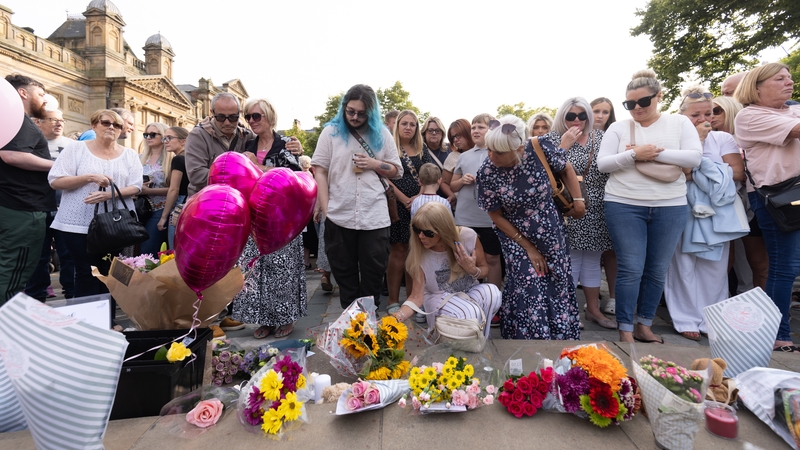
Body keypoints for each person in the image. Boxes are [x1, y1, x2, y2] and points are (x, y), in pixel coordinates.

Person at [597, 69, 703, 343]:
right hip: (623, 204)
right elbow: (603, 163)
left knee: (657, 269)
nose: (636, 109)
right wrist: (634, 154)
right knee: (631, 267)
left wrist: (652, 153)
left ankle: (645, 325)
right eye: (629, 104)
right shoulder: (619, 127)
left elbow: (694, 158)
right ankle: (625, 329)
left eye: (643, 102)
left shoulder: (679, 123)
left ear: (659, 96)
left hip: (671, 205)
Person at [477, 115, 585, 340]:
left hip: (551, 232)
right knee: (529, 285)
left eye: (498, 152)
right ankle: (528, 343)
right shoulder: (487, 172)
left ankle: (560, 339)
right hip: (515, 236)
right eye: (489, 149)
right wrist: (528, 246)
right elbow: (495, 215)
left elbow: (565, 168)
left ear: (518, 147)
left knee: (557, 282)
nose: (491, 156)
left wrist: (578, 200)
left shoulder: (538, 147)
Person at [665, 86, 746, 341]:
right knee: (683, 263)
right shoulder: (672, 138)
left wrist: (696, 171)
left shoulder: (723, 139)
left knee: (715, 265)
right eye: (695, 114)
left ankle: (711, 318)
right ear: (682, 116)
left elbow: (737, 172)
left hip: (717, 209)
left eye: (708, 113)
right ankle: (685, 317)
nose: (704, 119)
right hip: (682, 205)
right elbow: (675, 172)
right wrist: (699, 150)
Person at [48, 110, 142, 329]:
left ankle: (106, 321)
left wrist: (109, 194)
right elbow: (55, 180)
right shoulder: (77, 149)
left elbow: (137, 185)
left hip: (115, 226)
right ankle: (86, 324)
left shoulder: (129, 155)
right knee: (86, 271)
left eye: (117, 125)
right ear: (94, 125)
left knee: (110, 273)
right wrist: (89, 177)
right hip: (77, 223)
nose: (111, 127)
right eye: (106, 122)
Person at [311, 84, 403, 309]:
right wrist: (326, 208)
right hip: (339, 215)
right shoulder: (331, 132)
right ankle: (350, 330)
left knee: (373, 278)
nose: (354, 117)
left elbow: (397, 170)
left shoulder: (381, 133)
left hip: (374, 217)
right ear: (344, 108)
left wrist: (374, 164)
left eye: (361, 113)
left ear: (370, 112)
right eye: (350, 111)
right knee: (345, 278)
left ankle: (369, 329)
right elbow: (319, 170)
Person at [733, 62, 800, 352]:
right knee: (784, 268)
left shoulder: (792, 109)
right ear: (756, 87)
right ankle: (778, 333)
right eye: (779, 78)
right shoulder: (750, 115)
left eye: (790, 77)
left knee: (786, 267)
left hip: (792, 195)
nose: (789, 82)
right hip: (778, 199)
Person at [235, 98, 307, 339]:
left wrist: (257, 166)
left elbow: (294, 178)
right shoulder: (245, 143)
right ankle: (264, 319)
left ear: (269, 117)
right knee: (256, 270)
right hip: (254, 218)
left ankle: (285, 318)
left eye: (257, 116)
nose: (252, 121)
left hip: (282, 219)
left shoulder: (287, 144)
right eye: (248, 117)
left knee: (282, 270)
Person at [546, 97, 615, 329]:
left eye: (582, 115)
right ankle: (569, 309)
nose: (577, 120)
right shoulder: (553, 139)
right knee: (571, 259)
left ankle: (593, 309)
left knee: (593, 260)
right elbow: (544, 172)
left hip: (598, 205)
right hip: (567, 206)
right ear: (562, 117)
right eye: (571, 116)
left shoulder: (603, 138)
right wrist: (564, 144)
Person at [390, 202, 501, 340]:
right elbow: (416, 297)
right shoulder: (419, 252)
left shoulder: (467, 236)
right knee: (469, 311)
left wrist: (472, 270)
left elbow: (485, 270)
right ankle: (462, 340)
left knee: (492, 293)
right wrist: (393, 321)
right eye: (417, 230)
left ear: (442, 229)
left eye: (428, 232)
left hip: (467, 293)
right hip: (438, 297)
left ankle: (479, 339)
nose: (421, 236)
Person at [0, 74, 55, 303]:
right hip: (22, 209)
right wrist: (58, 166)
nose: (45, 100)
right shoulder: (19, 120)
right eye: (41, 94)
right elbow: (11, 155)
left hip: (12, 206)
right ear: (23, 93)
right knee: (13, 273)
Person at [712, 96, 769, 293]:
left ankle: (768, 309)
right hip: (723, 206)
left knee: (757, 261)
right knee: (729, 260)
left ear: (730, 109)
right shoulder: (705, 140)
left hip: (752, 204)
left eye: (717, 110)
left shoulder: (748, 138)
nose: (711, 116)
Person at [25, 108, 75, 301]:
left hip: (66, 208)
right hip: (37, 207)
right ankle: (36, 298)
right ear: (38, 122)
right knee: (38, 256)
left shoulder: (73, 146)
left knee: (69, 255)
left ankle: (73, 295)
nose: (59, 123)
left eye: (62, 120)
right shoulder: (30, 144)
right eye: (53, 119)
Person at [386, 110, 432, 315]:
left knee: (416, 254)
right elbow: (384, 178)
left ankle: (413, 300)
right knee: (398, 251)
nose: (408, 127)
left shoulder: (422, 150)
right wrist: (404, 199)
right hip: (398, 207)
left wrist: (418, 196)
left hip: (420, 206)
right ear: (397, 126)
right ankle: (392, 300)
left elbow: (429, 175)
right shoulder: (389, 148)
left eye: (412, 124)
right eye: (404, 123)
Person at [451, 113, 504, 293]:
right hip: (464, 218)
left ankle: (494, 301)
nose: (475, 130)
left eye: (481, 127)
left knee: (492, 259)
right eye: (473, 127)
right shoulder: (463, 156)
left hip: (490, 218)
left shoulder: (500, 153)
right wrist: (462, 181)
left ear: (491, 129)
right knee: (464, 259)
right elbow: (452, 185)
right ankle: (465, 298)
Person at [185, 92, 256, 197]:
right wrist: (237, 175)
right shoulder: (198, 135)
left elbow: (268, 141)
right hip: (205, 201)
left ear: (239, 113)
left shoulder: (247, 135)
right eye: (221, 117)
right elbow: (196, 175)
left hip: (237, 203)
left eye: (233, 117)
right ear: (212, 113)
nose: (227, 123)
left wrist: (287, 142)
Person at [591, 96, 619, 314]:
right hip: (584, 198)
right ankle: (592, 298)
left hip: (610, 195)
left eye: (605, 112)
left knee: (611, 251)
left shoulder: (616, 134)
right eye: (596, 111)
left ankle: (614, 297)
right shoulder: (579, 135)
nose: (600, 116)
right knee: (589, 252)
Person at [138, 122, 171, 255]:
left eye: (153, 134)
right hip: (139, 207)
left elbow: (175, 189)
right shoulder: (139, 158)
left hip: (160, 208)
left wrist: (150, 191)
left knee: (148, 249)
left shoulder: (170, 159)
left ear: (163, 136)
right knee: (135, 248)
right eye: (146, 134)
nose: (148, 138)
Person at [156, 127, 189, 249]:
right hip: (190, 205)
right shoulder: (192, 158)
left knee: (174, 250)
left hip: (179, 206)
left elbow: (173, 190)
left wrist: (163, 217)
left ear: (183, 141)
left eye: (169, 138)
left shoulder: (178, 159)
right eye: (164, 138)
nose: (165, 141)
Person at [442, 119, 474, 208]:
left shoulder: (486, 153)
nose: (455, 140)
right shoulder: (453, 156)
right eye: (453, 137)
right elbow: (443, 182)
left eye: (458, 135)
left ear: (468, 132)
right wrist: (452, 195)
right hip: (460, 207)